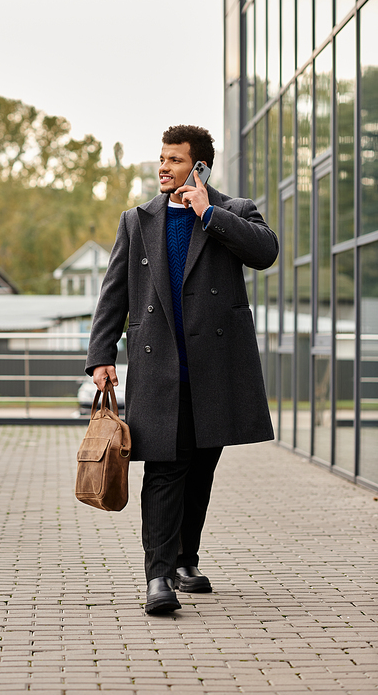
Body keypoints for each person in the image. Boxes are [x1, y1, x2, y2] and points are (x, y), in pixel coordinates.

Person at [85, 124, 278, 614]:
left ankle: (185, 557)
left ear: (199, 167)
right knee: (165, 468)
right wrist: (101, 355)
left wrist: (208, 213)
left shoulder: (232, 211)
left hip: (214, 368)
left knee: (201, 468)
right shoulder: (138, 220)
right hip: (159, 368)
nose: (162, 167)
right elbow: (114, 292)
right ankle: (158, 576)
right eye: (162, 158)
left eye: (173, 160)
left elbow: (265, 252)